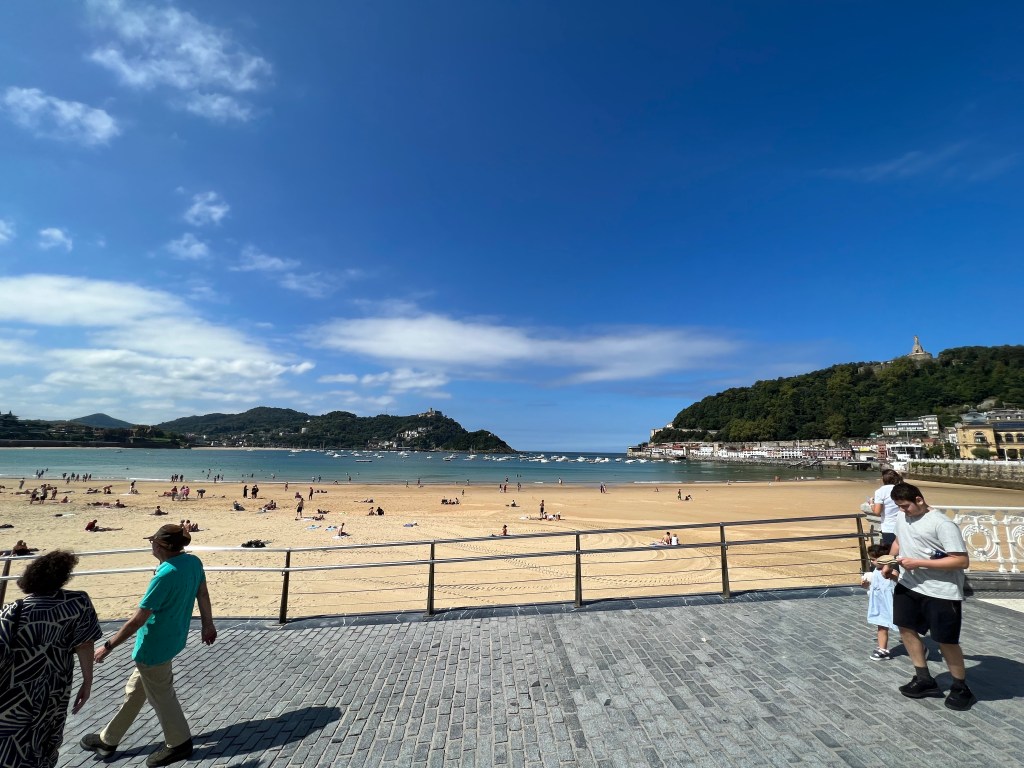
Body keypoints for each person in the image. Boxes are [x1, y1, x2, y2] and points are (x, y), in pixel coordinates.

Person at [81, 524, 217, 766]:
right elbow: (203, 593)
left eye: (153, 541)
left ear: (161, 546)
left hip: (153, 647)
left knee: (163, 697)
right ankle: (108, 739)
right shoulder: (193, 562)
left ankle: (179, 743)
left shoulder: (165, 575)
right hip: (173, 638)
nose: (151, 545)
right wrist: (208, 624)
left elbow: (138, 620)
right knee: (135, 692)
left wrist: (108, 646)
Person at [0, 550, 102, 768]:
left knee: (12, 741)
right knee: (48, 735)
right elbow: (85, 644)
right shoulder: (78, 602)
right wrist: (87, 682)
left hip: (15, 690)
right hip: (55, 686)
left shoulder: (13, 610)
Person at [879, 482, 975, 711]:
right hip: (908, 585)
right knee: (905, 628)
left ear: (919, 500)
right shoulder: (902, 516)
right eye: (899, 507)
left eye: (905, 506)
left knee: (946, 640)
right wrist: (889, 562)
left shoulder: (942, 524)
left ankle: (960, 688)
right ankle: (924, 678)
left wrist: (918, 563)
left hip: (941, 591)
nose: (902, 511)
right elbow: (899, 540)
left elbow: (961, 561)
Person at [861, 542, 897, 660]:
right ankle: (882, 649)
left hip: (891, 604)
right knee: (881, 625)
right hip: (879, 604)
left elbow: (896, 579)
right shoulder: (874, 573)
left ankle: (918, 647)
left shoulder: (892, 571)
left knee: (904, 629)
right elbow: (870, 586)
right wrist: (865, 584)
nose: (872, 562)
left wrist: (889, 574)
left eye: (874, 559)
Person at [872, 469, 903, 547]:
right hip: (903, 526)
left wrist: (871, 504)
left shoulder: (880, 491)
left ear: (883, 479)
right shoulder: (901, 489)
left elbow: (877, 512)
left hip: (889, 527)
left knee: (890, 551)